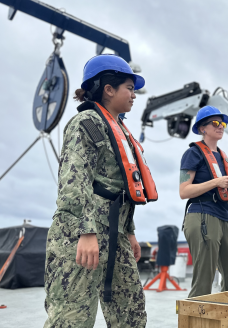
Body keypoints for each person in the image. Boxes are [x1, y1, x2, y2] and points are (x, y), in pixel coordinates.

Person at [44, 54, 158, 327]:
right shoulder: (87, 124)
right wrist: (85, 232)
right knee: (72, 317)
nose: (134, 95)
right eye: (129, 88)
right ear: (108, 89)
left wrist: (128, 231)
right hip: (83, 234)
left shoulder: (120, 130)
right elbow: (75, 180)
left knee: (130, 314)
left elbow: (121, 188)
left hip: (116, 234)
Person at [180, 105, 228, 298]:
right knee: (204, 280)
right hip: (202, 215)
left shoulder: (223, 157)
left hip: (225, 218)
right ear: (202, 128)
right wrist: (216, 182)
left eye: (222, 124)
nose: (220, 126)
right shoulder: (193, 153)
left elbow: (224, 188)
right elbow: (184, 191)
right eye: (215, 123)